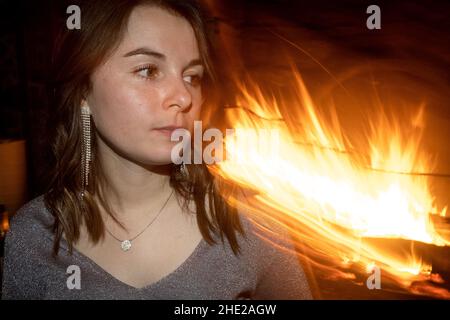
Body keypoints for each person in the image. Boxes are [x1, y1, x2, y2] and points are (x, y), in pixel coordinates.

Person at [1, 0, 312, 299]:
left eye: (192, 76)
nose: (183, 96)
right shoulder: (34, 236)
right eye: (148, 70)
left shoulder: (252, 222)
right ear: (84, 90)